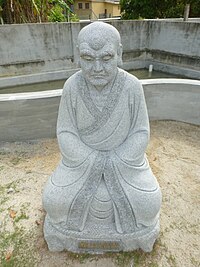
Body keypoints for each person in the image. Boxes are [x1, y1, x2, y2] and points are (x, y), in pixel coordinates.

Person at [43, 22, 162, 252]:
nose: (97, 67)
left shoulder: (132, 87)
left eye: (106, 58)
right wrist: (93, 160)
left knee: (150, 202)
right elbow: (66, 133)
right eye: (88, 58)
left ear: (120, 54)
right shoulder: (72, 87)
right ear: (78, 56)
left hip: (125, 166)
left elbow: (140, 132)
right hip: (81, 166)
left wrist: (115, 160)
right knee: (54, 200)